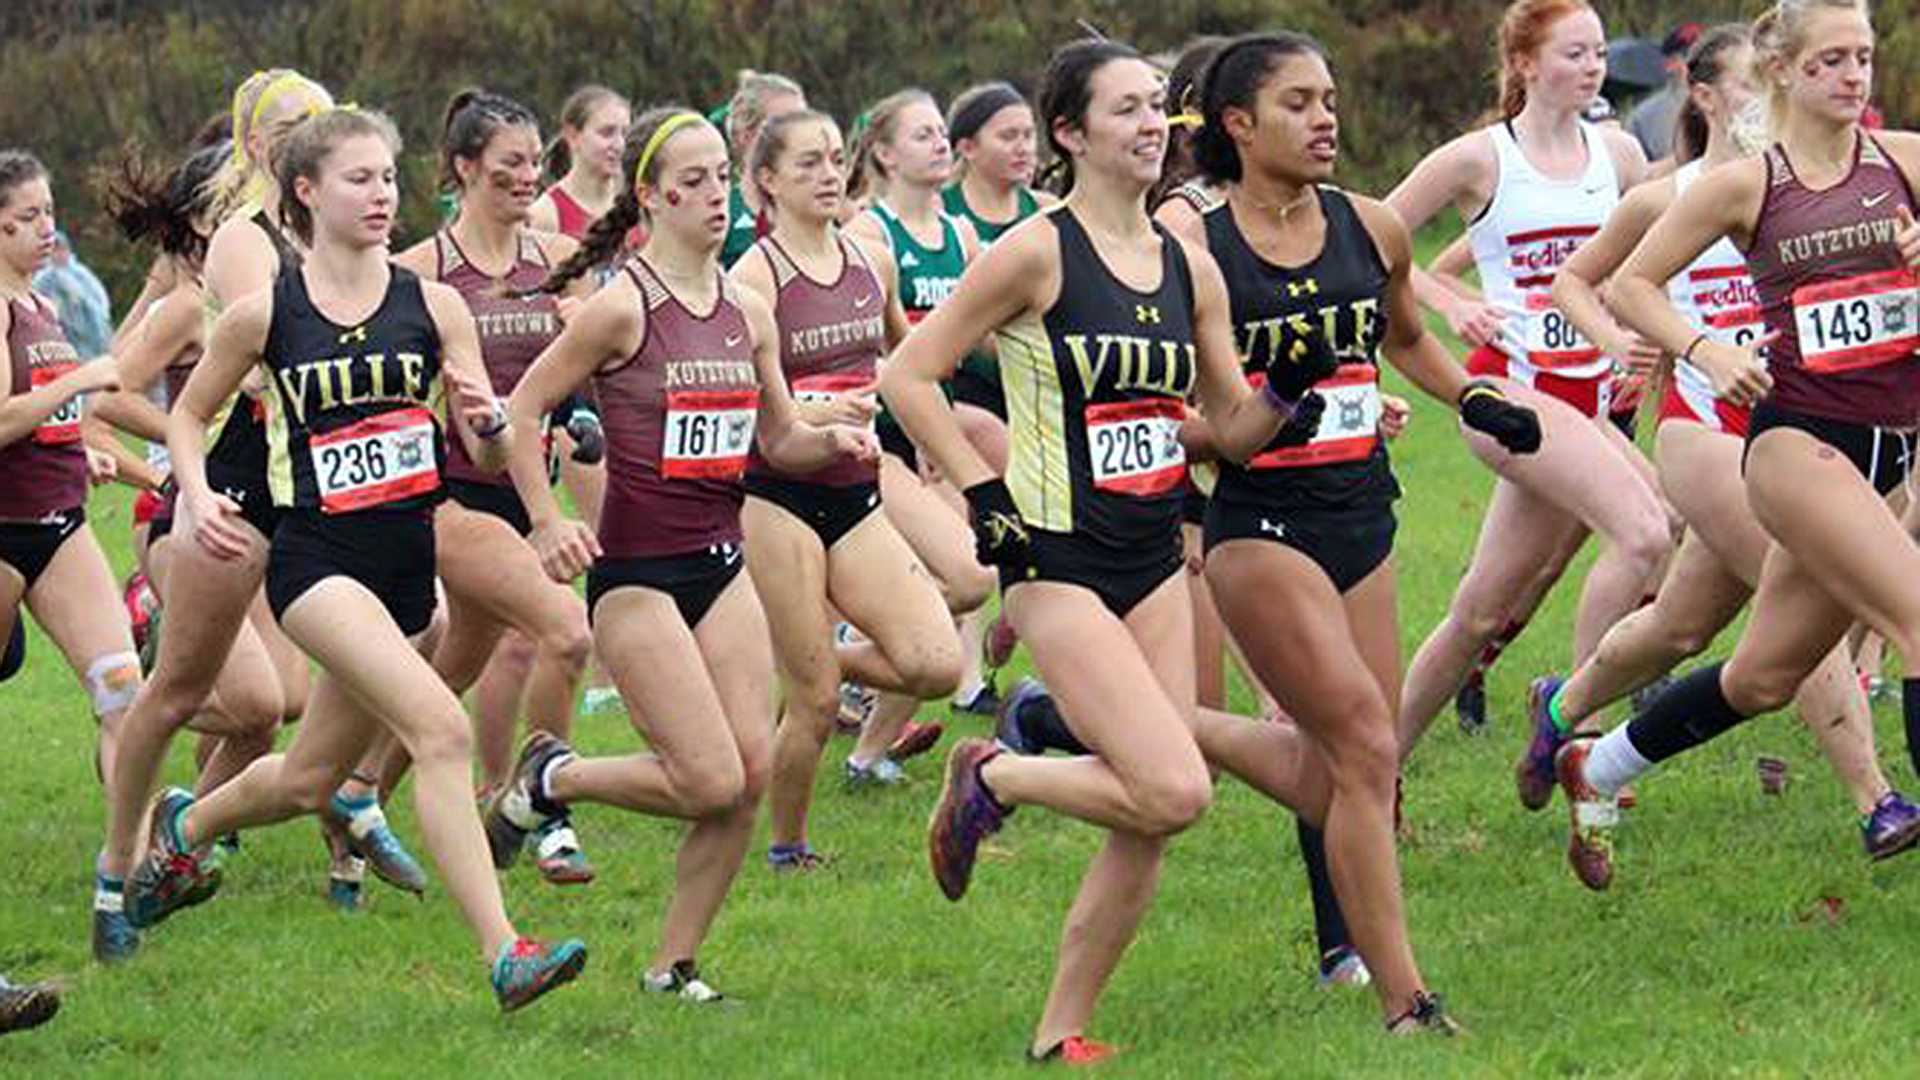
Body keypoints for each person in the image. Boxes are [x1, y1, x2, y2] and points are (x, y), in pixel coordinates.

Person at [887, 38, 1455, 1058]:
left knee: (1149, 817)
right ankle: (998, 776)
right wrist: (981, 492)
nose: (1152, 125)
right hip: (1055, 558)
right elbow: (908, 375)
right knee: (1174, 789)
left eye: (1158, 107)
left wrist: (1291, 386)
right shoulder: (1036, 252)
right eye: (1126, 110)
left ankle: (1061, 1033)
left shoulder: (1187, 265)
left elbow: (1229, 430)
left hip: (1153, 557)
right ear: (1070, 133)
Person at [129, 105, 587, 1010]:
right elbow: (187, 414)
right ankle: (506, 952)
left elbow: (486, 449)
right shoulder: (267, 313)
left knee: (309, 780)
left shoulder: (435, 307)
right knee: (441, 730)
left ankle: (186, 826)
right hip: (317, 564)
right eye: (359, 179)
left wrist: (492, 423)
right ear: (306, 190)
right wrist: (199, 491)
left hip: (406, 569)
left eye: (387, 177)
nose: (382, 195)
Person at [1178, 29, 1542, 1018]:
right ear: (1238, 123)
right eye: (1297, 103)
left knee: (1350, 771)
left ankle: (1109, 722)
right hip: (1260, 522)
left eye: (1330, 100)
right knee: (1369, 753)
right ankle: (1404, 997)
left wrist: (1473, 398)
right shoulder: (1196, 248)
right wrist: (1263, 409)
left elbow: (1408, 340)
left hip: (1362, 514)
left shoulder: (1371, 226)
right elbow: (1183, 417)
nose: (1325, 119)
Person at [486, 106, 875, 1001]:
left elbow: (778, 439)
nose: (713, 196)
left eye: (720, 179)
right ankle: (554, 776)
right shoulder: (621, 308)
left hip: (722, 564)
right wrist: (545, 521)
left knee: (747, 777)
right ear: (651, 197)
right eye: (691, 182)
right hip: (638, 576)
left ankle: (673, 967)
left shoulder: (749, 311)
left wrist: (833, 442)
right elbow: (522, 410)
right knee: (706, 779)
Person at [1540, 21, 1917, 888]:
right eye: (1830, 61)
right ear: (1782, 70)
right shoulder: (1745, 185)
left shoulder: (1903, 161)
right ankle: (1878, 801)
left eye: (1863, 58)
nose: (1852, 76)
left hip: (1891, 448)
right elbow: (1630, 283)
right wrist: (1703, 349)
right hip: (1795, 446)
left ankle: (1596, 765)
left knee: (1763, 677)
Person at [99, 73, 424, 958]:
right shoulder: (245, 238)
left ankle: (344, 803)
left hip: (319, 489)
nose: (306, 133)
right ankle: (117, 869)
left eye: (319, 120)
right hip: (241, 486)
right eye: (287, 125)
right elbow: (262, 363)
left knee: (382, 648)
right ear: (253, 144)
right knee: (180, 692)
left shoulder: (343, 233)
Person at [1383, 0, 1673, 802]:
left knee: (1480, 613)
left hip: (1588, 394)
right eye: (1574, 53)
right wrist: (1449, 302)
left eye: (1598, 53)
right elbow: (1369, 236)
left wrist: (1628, 329)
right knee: (1647, 530)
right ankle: (1572, 725)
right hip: (1507, 390)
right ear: (1525, 64)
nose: (1593, 68)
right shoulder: (1478, 159)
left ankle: (1374, 771)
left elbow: (1650, 251)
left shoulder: (1618, 152)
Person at [730, 107, 961, 865]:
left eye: (835, 159)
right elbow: (738, 405)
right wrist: (813, 411)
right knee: (817, 702)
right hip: (778, 496)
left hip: (856, 491)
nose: (830, 174)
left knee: (935, 663)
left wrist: (927, 433)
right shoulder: (754, 278)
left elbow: (907, 357)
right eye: (809, 163)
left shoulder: (872, 260)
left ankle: (820, 653)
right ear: (768, 180)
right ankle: (788, 848)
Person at [390, 89, 597, 884]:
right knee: (566, 634)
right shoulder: (422, 271)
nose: (528, 174)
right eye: (511, 161)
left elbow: (591, 365)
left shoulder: (561, 259)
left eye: (537, 160)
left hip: (528, 481)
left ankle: (354, 791)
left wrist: (584, 399)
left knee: (450, 672)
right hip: (451, 494)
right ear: (466, 167)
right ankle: (546, 815)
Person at [0, 149, 149, 952]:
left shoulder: (45, 301)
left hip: (60, 525)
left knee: (125, 695)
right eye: (25, 218)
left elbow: (40, 421)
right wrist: (80, 382)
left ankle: (122, 883)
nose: (45, 228)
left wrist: (77, 445)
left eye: (48, 212)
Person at [841, 87, 992, 765]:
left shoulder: (961, 235)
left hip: (937, 432)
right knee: (966, 577)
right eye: (923, 134)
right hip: (884, 440)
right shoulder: (869, 236)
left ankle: (868, 754)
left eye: (941, 132)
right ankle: (832, 654)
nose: (940, 143)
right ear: (883, 153)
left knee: (964, 585)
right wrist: (920, 421)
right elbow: (863, 352)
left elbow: (977, 341)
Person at [720, 71, 807, 269]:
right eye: (783, 125)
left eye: (804, 122)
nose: (801, 135)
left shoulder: (814, 209)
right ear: (746, 135)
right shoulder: (722, 210)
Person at [1626, 23, 1705, 162]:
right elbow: (1635, 171)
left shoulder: (1728, 103)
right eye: (1689, 56)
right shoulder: (1645, 118)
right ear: (1669, 64)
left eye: (1704, 54)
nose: (1700, 63)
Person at [31, 229, 113, 361]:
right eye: (54, 249)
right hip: (60, 344)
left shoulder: (81, 274)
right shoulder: (42, 279)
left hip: (92, 339)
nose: (58, 254)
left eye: (61, 249)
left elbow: (101, 304)